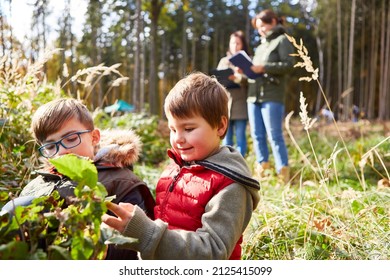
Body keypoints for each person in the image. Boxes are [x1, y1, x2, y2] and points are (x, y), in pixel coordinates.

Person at [102, 72, 260, 260]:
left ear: (220, 126)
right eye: (173, 129)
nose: (178, 138)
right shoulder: (175, 169)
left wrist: (147, 234)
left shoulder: (230, 185)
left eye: (189, 129)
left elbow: (213, 251)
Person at [9, 98, 155, 260]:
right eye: (50, 146)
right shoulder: (35, 186)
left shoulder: (122, 183)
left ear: (94, 137)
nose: (62, 151)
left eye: (71, 139)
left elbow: (136, 245)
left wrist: (99, 249)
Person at [246, 9, 295, 183]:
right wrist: (247, 70)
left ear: (273, 22)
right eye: (258, 28)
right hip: (253, 96)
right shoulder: (260, 46)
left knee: (274, 135)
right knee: (257, 135)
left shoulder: (282, 40)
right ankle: (263, 171)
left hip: (272, 95)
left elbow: (290, 65)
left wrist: (265, 67)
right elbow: (256, 69)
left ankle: (283, 173)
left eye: (263, 25)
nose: (261, 30)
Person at [216, 30, 249, 157]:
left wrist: (239, 76)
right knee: (226, 139)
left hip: (241, 104)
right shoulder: (224, 61)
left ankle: (240, 166)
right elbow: (217, 80)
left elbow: (251, 80)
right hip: (225, 104)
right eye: (233, 43)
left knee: (241, 137)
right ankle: (227, 165)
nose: (235, 46)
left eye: (238, 43)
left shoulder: (247, 60)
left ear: (243, 45)